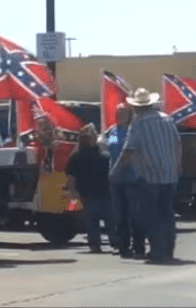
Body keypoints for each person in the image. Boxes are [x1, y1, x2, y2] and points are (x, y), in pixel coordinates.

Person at [110, 88, 181, 264]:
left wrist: (115, 171)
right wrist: (178, 167)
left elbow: (129, 150)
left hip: (149, 174)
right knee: (167, 214)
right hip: (169, 173)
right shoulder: (167, 119)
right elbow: (177, 144)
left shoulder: (139, 123)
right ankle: (168, 249)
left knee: (151, 214)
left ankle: (157, 250)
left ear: (137, 107)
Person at [66, 123, 117, 253]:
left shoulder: (102, 152)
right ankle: (100, 244)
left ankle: (110, 243)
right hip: (91, 194)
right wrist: (72, 192)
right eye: (84, 136)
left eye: (88, 136)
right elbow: (71, 176)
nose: (86, 139)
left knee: (106, 220)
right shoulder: (78, 155)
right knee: (97, 220)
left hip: (102, 192)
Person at [107, 104, 146, 259]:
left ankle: (139, 246)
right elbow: (111, 149)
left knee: (135, 214)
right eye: (118, 113)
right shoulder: (114, 131)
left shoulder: (134, 130)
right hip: (116, 178)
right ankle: (123, 246)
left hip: (133, 177)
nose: (120, 116)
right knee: (119, 215)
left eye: (123, 113)